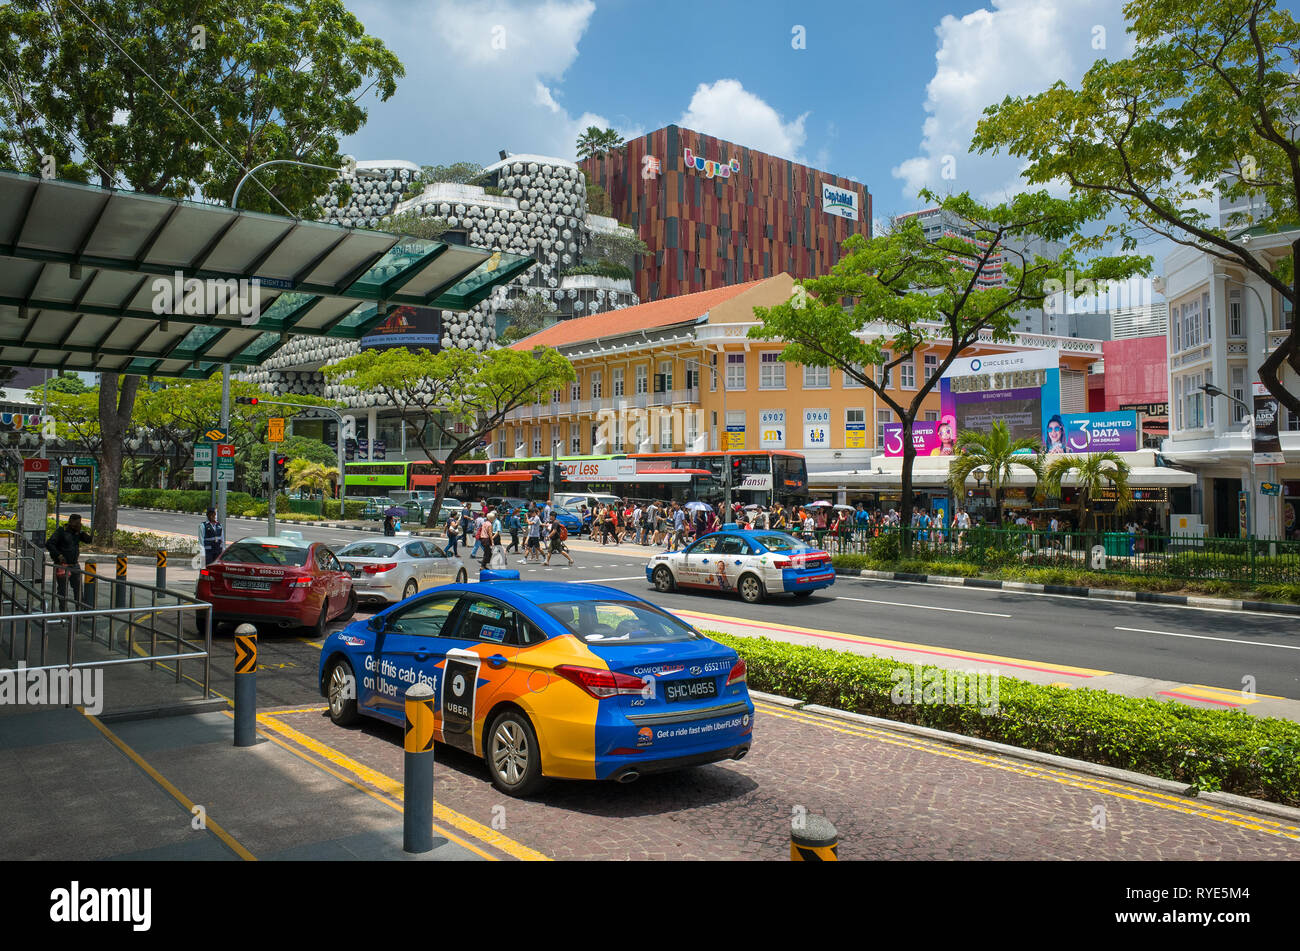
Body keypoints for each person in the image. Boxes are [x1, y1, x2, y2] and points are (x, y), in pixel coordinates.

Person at [47, 514, 91, 613]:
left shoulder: (77, 533)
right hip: (63, 565)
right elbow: (49, 543)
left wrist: (82, 532)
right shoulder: (61, 532)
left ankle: (79, 610)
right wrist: (58, 555)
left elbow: (89, 540)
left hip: (74, 564)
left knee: (78, 589)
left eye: (80, 523)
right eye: (76, 523)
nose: (78, 525)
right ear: (71, 522)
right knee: (62, 590)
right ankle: (63, 611)